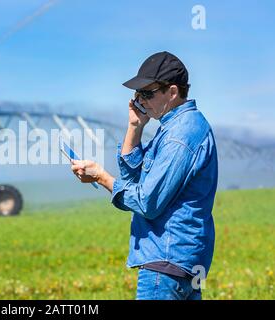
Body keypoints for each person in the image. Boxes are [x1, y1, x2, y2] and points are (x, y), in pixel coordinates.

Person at [71, 51, 218, 300]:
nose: (140, 100)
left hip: (166, 261)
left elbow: (146, 202)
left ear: (172, 92)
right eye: (137, 94)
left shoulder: (178, 136)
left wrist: (100, 177)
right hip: (181, 262)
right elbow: (134, 179)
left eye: (147, 93)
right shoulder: (176, 128)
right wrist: (134, 127)